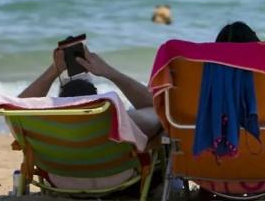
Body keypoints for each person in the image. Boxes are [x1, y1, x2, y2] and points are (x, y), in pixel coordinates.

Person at [18, 39, 161, 137]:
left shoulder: (48, 127)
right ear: (97, 99)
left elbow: (15, 110)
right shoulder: (118, 123)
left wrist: (53, 71)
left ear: (61, 101)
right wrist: (109, 72)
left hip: (60, 179)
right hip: (117, 179)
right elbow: (158, 109)